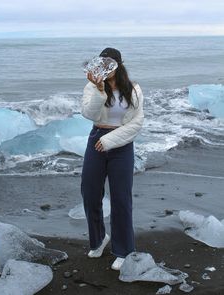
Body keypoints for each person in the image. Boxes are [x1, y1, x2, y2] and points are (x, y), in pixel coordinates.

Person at [80, 47, 144, 270]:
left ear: (118, 65)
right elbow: (88, 114)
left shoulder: (134, 89)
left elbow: (136, 124)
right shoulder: (92, 86)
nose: (104, 69)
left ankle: (124, 250)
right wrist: (99, 90)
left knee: (121, 199)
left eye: (109, 65)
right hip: (96, 138)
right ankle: (98, 239)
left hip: (122, 144)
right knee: (90, 194)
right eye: (101, 64)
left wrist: (110, 141)